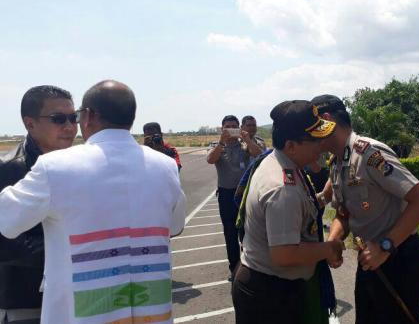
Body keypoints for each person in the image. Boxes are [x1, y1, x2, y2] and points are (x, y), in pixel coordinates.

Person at [0, 80, 187, 323]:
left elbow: (6, 220)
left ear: (87, 116)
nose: (70, 126)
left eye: (74, 117)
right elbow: (175, 226)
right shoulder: (166, 166)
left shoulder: (55, 167)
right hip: (150, 313)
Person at [312, 94, 419, 324]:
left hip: (399, 257)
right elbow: (343, 213)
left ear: (326, 121)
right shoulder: (337, 162)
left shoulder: (368, 154)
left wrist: (385, 247)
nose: (308, 135)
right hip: (370, 257)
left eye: (311, 127)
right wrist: (334, 241)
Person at [231, 100, 343, 324]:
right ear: (291, 145)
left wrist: (321, 198)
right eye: (314, 140)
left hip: (272, 286)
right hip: (270, 294)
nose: (321, 145)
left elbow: (299, 212)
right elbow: (285, 255)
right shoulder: (283, 187)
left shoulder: (284, 163)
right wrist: (330, 248)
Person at [0, 85, 77, 324]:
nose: (70, 126)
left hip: (73, 299)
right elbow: (5, 242)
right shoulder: (10, 168)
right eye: (58, 119)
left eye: (74, 118)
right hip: (26, 303)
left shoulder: (75, 164)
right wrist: (68, 253)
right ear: (30, 124)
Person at [206, 115, 251, 278]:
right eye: (228, 126)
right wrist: (221, 142)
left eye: (234, 126)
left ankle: (249, 265)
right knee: (230, 233)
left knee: (247, 232)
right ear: (222, 128)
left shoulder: (245, 145)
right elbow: (210, 160)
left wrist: (247, 139)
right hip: (226, 194)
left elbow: (260, 155)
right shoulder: (216, 145)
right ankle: (235, 267)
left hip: (245, 194)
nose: (231, 129)